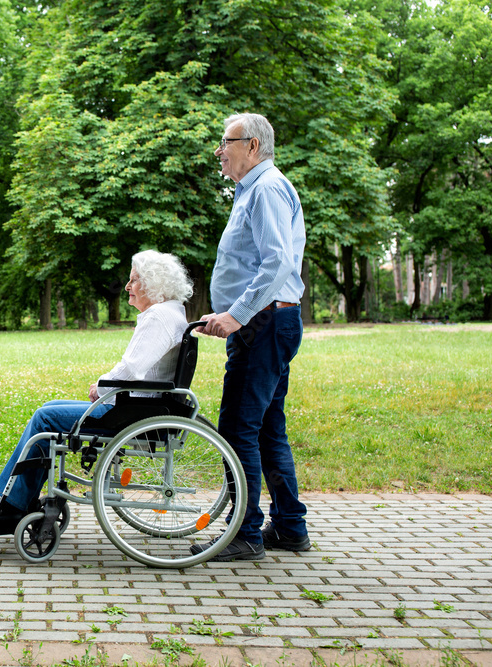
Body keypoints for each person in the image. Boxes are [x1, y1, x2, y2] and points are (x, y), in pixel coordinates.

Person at [0, 250, 193, 536]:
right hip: (142, 407)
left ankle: (13, 507)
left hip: (132, 412)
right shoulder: (172, 312)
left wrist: (100, 386)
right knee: (50, 407)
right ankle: (15, 501)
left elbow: (131, 369)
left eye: (133, 280)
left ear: (152, 284)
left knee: (44, 419)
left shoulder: (158, 318)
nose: (127, 287)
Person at [196, 112, 309, 562]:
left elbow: (278, 262)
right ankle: (290, 526)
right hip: (267, 322)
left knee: (239, 428)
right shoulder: (254, 190)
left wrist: (237, 316)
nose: (220, 150)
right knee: (267, 429)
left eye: (227, 142)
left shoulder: (265, 188)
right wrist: (228, 312)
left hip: (263, 324)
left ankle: (245, 533)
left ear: (253, 146)